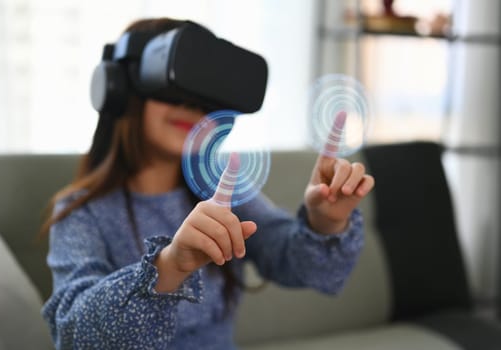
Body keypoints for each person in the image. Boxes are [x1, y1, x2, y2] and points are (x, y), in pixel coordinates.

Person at [41, 18, 375, 350]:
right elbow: (73, 335)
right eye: (171, 89)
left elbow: (298, 263)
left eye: (204, 97)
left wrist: (327, 219)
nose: (191, 106)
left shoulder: (224, 190)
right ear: (120, 90)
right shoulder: (83, 212)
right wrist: (170, 266)